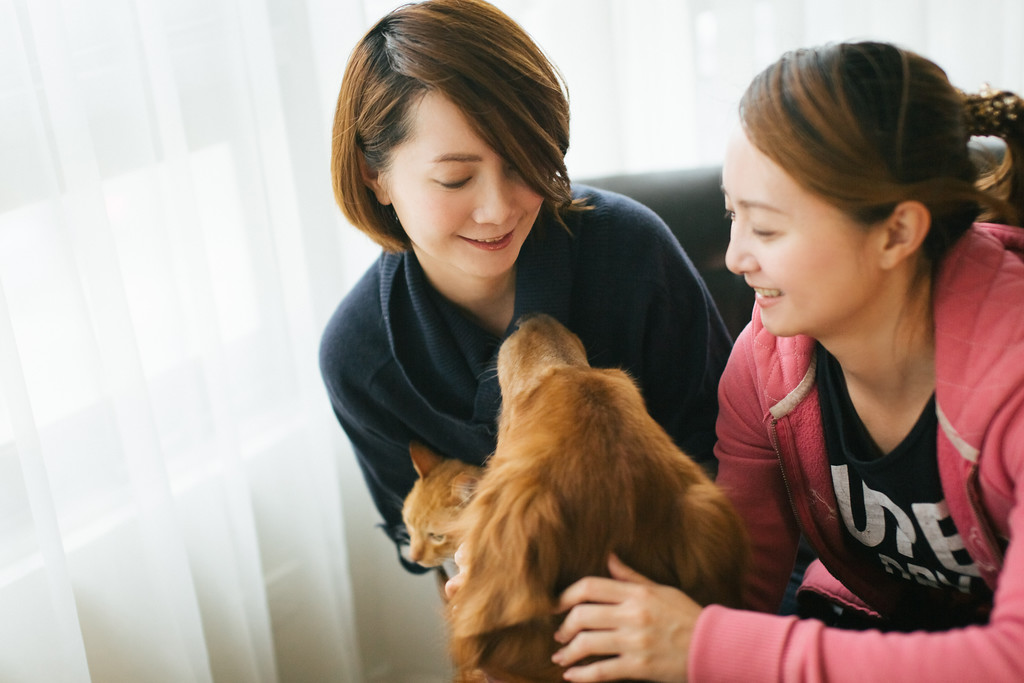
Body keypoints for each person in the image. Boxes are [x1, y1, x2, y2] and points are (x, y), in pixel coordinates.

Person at [545, 41, 1024, 681]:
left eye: (766, 229)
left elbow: (1009, 658)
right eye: (731, 216)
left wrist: (705, 645)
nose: (736, 257)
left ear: (896, 233)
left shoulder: (1014, 382)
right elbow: (737, 590)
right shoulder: (767, 367)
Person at [319, 0, 730, 574]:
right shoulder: (361, 356)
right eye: (455, 178)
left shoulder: (632, 253)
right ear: (374, 173)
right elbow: (433, 556)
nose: (498, 209)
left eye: (523, 162)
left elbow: (735, 465)